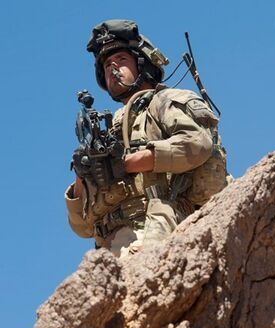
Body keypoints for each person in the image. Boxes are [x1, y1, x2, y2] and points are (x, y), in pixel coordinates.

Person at [65, 19, 228, 257]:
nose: (112, 68)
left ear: (144, 64)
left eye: (121, 60)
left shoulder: (165, 101)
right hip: (108, 249)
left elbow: (197, 144)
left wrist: (127, 164)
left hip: (159, 227)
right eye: (107, 64)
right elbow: (82, 227)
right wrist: (83, 176)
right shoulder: (108, 133)